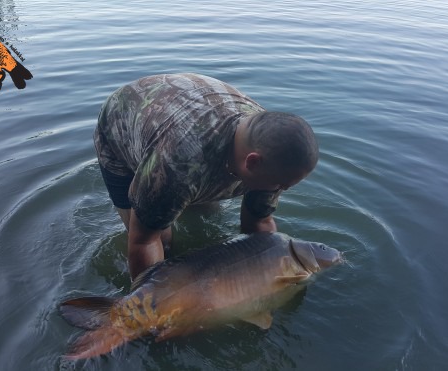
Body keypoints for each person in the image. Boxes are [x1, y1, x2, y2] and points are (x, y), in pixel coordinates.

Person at [94, 73, 319, 280]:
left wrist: (271, 276)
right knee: (160, 238)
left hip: (187, 114)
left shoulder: (271, 149)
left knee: (206, 216)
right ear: (252, 162)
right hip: (121, 123)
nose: (282, 189)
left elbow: (259, 222)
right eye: (279, 184)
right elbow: (144, 242)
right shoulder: (178, 164)